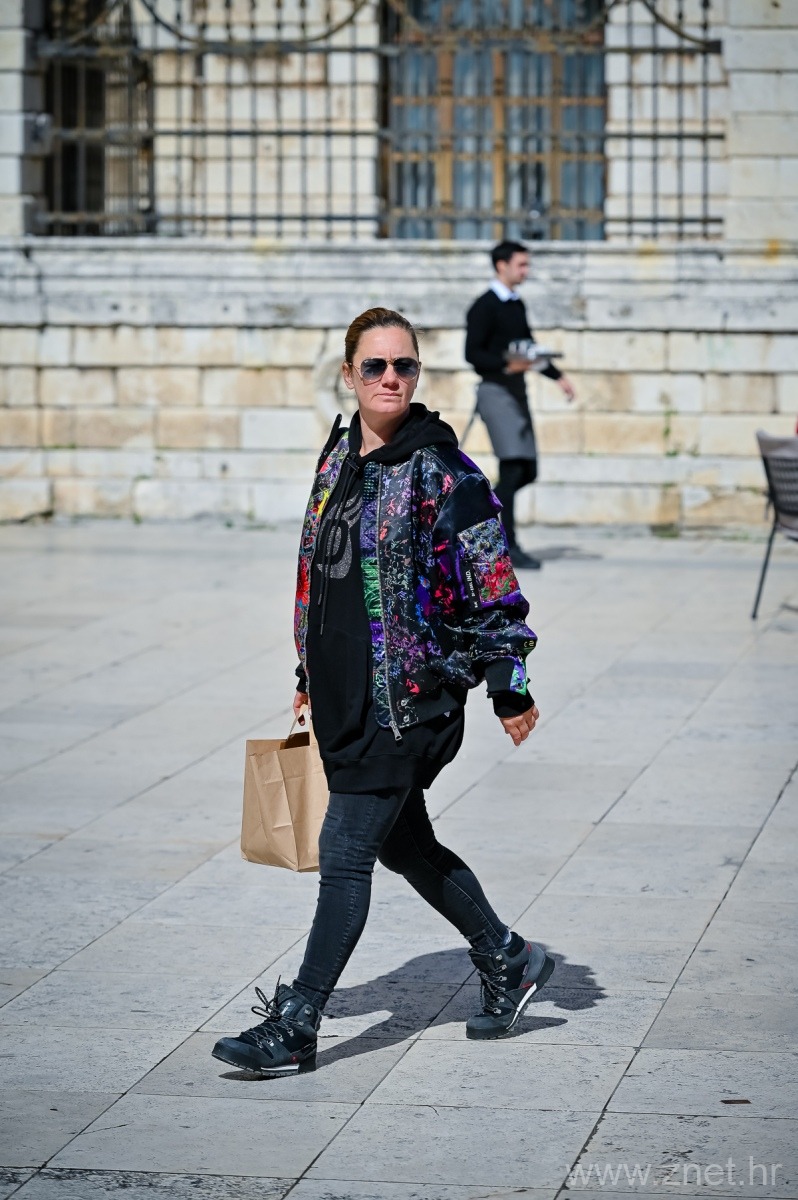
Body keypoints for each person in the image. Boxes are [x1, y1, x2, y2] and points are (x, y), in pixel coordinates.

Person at [212, 307, 554, 1078]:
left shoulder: (445, 472)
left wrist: (509, 685)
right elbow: (318, 570)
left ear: (417, 374)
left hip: (410, 701)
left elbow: (495, 586)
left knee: (345, 851)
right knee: (404, 844)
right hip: (344, 698)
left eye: (404, 365)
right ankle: (509, 957)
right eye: (375, 366)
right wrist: (307, 675)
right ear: (349, 375)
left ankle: (298, 1023)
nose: (391, 378)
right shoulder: (338, 456)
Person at [465, 240, 576, 571]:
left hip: (517, 392)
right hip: (496, 392)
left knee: (528, 470)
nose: (526, 271)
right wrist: (505, 365)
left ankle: (481, 509)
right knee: (513, 467)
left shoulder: (516, 305)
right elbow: (473, 354)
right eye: (521, 265)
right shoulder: (484, 306)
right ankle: (508, 546)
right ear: (502, 266)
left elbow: (529, 349)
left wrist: (557, 376)